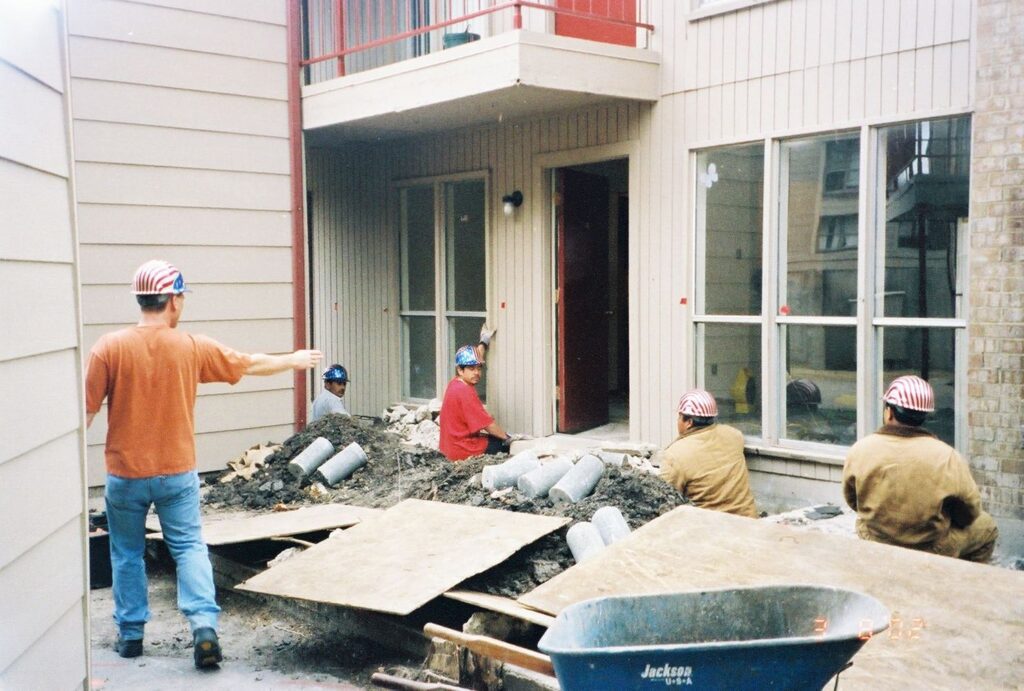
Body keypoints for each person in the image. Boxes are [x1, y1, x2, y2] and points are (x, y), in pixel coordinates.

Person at [84, 260, 323, 668]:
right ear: (173, 299)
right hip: (176, 473)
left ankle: (131, 635)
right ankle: (204, 628)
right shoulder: (191, 347)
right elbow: (249, 363)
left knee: (126, 554)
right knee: (189, 547)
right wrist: (293, 359)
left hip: (125, 475)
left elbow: (83, 415)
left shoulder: (108, 348)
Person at [842, 375, 998, 562]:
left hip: (875, 539)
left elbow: (853, 500)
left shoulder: (860, 449)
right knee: (987, 527)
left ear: (889, 413)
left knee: (862, 522)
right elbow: (969, 512)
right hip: (930, 547)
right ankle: (958, 577)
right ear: (924, 416)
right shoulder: (947, 456)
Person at [659, 389, 758, 518]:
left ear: (689, 422)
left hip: (709, 526)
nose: (678, 420)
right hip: (748, 521)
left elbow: (664, 496)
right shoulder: (735, 435)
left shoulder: (675, 454)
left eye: (680, 417)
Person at [439, 325, 510, 460]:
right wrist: (509, 439)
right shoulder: (465, 392)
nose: (477, 373)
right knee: (502, 444)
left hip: (448, 446)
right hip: (462, 449)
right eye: (472, 369)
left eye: (479, 368)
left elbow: (476, 357)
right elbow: (488, 425)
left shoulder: (455, 383)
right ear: (460, 370)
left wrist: (484, 341)